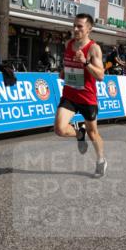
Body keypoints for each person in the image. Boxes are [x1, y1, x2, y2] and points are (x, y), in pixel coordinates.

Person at [53, 14, 108, 177]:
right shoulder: (68, 44)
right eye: (74, 25)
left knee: (93, 133)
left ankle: (101, 160)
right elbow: (68, 64)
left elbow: (100, 76)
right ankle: (79, 133)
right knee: (59, 129)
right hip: (70, 94)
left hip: (87, 97)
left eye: (80, 26)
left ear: (89, 29)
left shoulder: (93, 48)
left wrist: (85, 62)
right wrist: (64, 72)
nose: (75, 29)